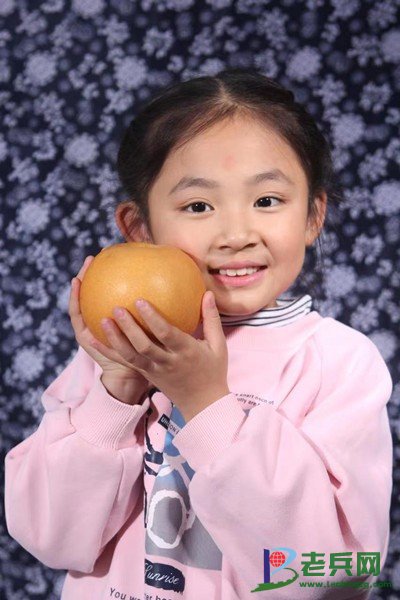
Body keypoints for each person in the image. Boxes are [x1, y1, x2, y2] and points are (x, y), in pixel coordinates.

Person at [4, 68, 393, 600]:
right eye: (198, 206)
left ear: (312, 216)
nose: (236, 235)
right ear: (140, 230)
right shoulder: (116, 353)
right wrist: (118, 391)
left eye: (267, 200)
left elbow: (331, 578)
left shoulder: (339, 363)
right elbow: (50, 538)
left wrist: (206, 403)